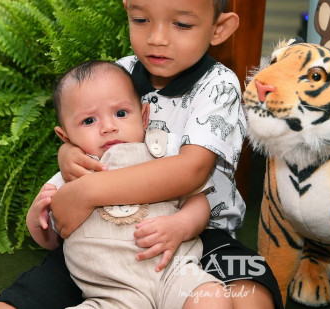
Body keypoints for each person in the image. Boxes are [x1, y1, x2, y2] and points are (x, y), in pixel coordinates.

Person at [0, 0, 283, 309]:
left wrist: (89, 191)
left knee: (252, 295)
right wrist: (69, 155)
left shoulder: (218, 85)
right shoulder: (120, 72)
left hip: (199, 230)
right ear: (128, 11)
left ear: (219, 28)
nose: (157, 38)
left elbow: (191, 171)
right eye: (142, 20)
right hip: (105, 236)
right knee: (21, 296)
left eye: (181, 24)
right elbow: (86, 128)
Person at [26, 59, 228, 309]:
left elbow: (198, 200)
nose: (109, 127)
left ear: (143, 117)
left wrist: (182, 225)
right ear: (65, 136)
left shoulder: (163, 151)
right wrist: (37, 219)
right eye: (89, 121)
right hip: (112, 292)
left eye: (121, 113)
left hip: (175, 272)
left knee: (212, 297)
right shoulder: (72, 175)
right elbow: (53, 240)